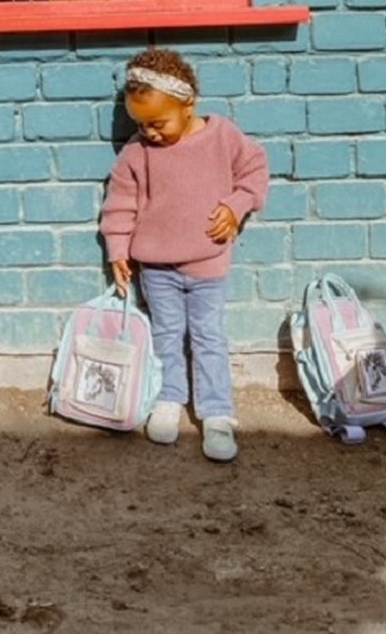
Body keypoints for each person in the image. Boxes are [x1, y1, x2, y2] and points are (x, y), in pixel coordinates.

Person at [100, 47, 269, 462]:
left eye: (158, 123)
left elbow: (255, 170)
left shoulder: (223, 136)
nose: (149, 133)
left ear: (188, 103)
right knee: (166, 335)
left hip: (208, 264)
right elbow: (121, 203)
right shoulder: (137, 153)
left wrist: (236, 205)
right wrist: (118, 249)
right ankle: (169, 398)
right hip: (156, 268)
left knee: (209, 336)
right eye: (141, 124)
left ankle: (217, 413)